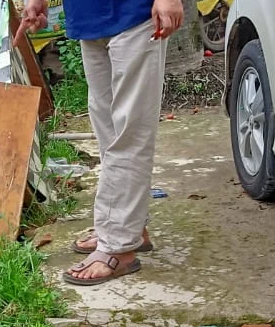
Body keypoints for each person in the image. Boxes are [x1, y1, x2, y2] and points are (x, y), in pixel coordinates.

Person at [22, 0, 184, 285]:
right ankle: (127, 227)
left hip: (136, 13)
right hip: (89, 16)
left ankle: (118, 248)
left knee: (129, 136)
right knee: (108, 134)